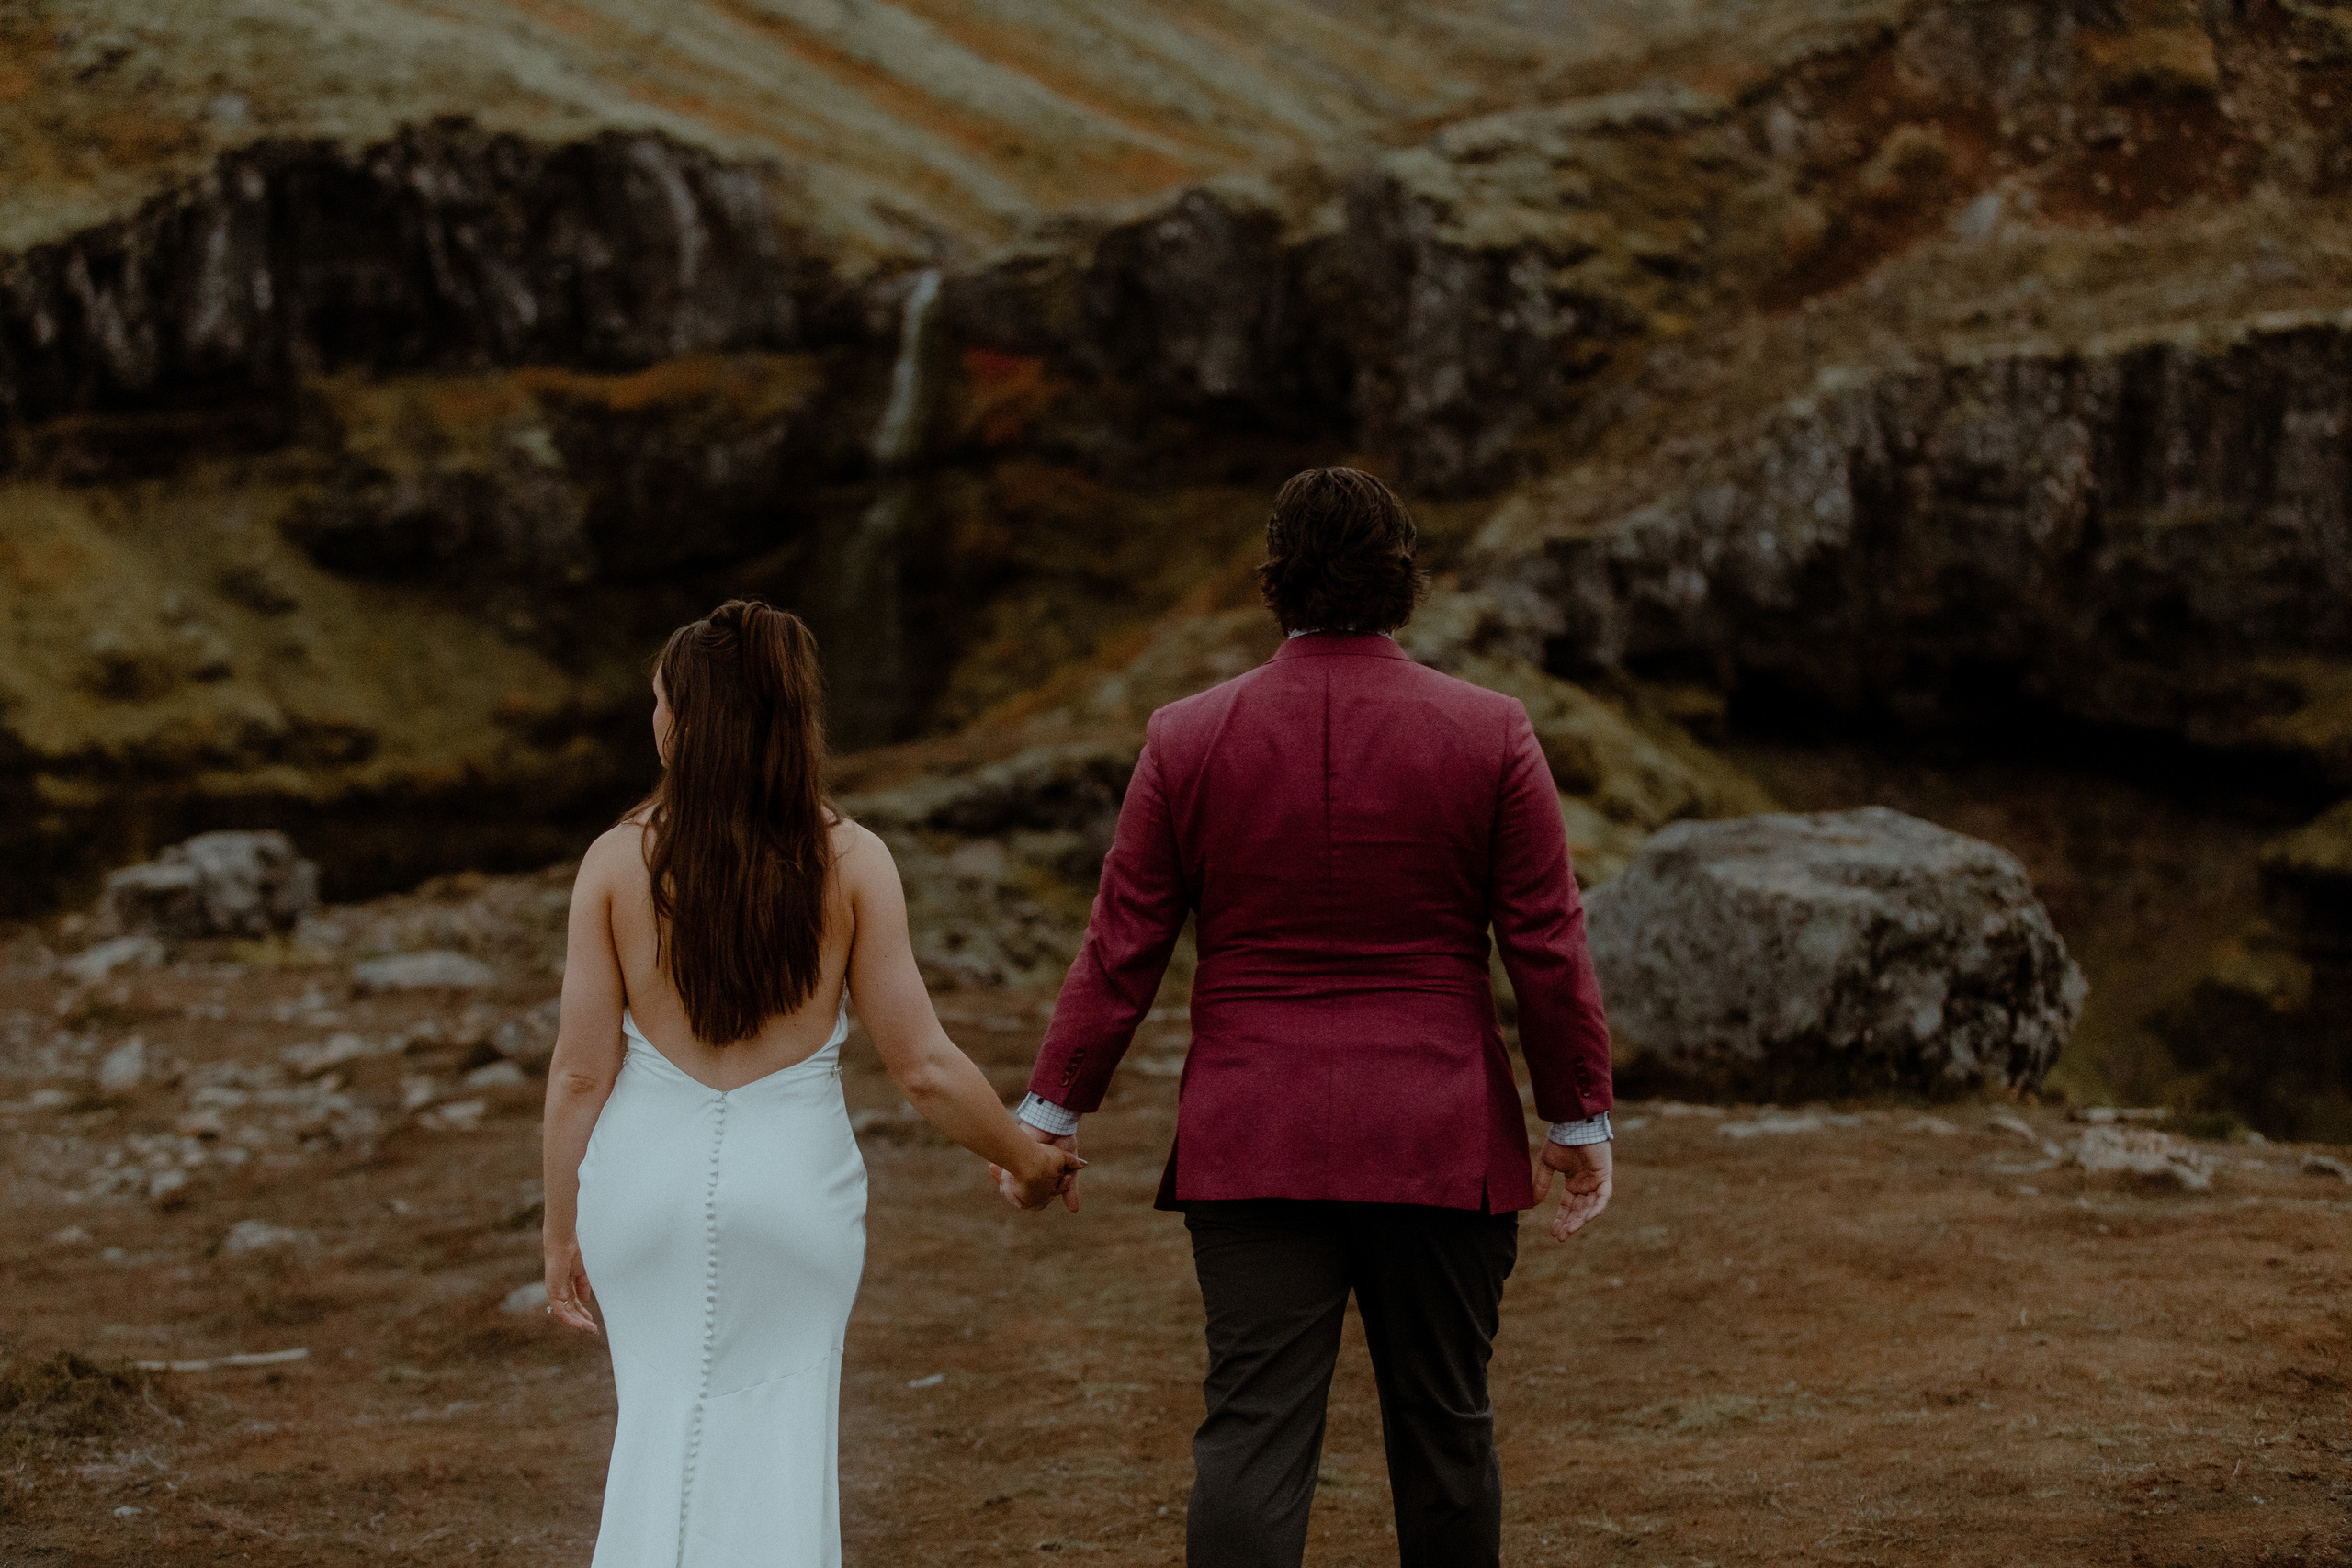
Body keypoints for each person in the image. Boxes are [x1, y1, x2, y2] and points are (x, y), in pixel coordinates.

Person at [1010, 468, 1616, 1568]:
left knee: (1250, 1434)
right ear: (1402, 579)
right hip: (1438, 1134)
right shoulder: (1490, 731)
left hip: (1253, 1134)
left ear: (1276, 579)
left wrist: (1049, 1112)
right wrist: (1577, 1120)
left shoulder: (1186, 736)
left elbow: (1122, 942)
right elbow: (1546, 942)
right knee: (1447, 1428)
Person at [538, 599, 1080, 1568]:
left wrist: (557, 1231)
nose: (652, 719)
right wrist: (1025, 1159)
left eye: (661, 702)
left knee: (659, 1430)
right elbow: (923, 1067)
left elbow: (581, 1073)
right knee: (782, 1443)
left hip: (641, 1193)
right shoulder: (853, 859)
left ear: (692, 724)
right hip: (795, 1196)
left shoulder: (616, 863)